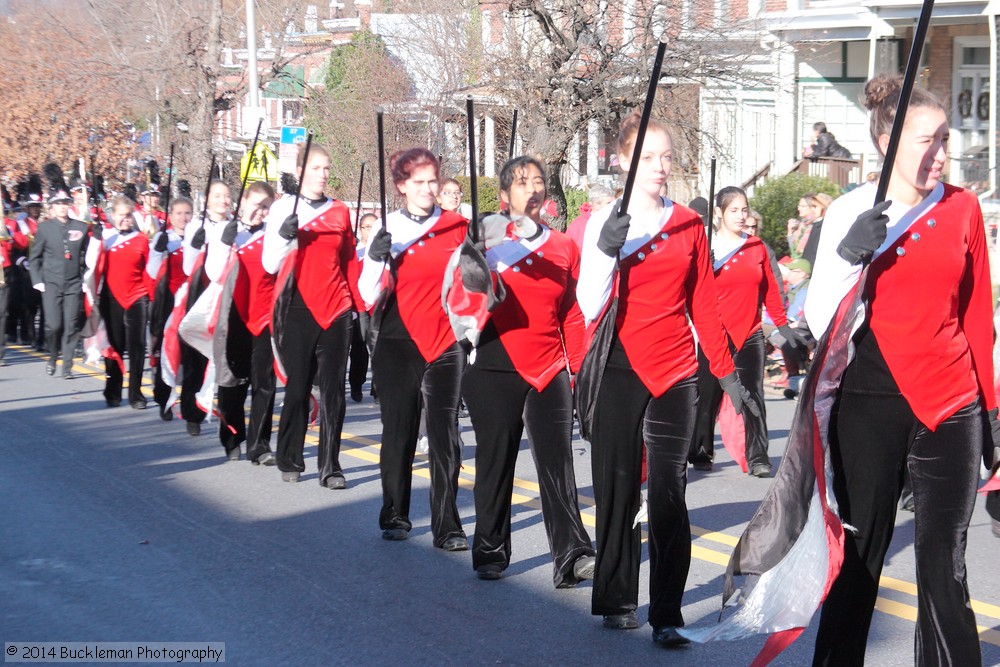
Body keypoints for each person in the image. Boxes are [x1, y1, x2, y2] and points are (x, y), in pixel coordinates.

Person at [805, 74, 995, 666]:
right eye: (924, 141)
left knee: (945, 563)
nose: (938, 153)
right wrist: (846, 256)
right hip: (869, 399)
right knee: (863, 558)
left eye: (944, 139)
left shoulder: (963, 208)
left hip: (950, 400)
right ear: (886, 141)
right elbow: (818, 321)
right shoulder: (850, 211)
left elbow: (977, 320)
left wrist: (992, 409)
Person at [576, 112, 755, 644]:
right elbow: (589, 303)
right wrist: (606, 250)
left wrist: (726, 374)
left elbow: (703, 303)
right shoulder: (605, 221)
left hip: (676, 371)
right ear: (623, 162)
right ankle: (615, 596)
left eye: (666, 158)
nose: (659, 167)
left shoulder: (688, 225)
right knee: (618, 486)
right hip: (617, 367)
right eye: (647, 158)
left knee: (671, 494)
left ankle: (668, 615)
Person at [462, 155, 596, 586]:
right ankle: (490, 549)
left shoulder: (563, 246)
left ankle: (572, 554)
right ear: (505, 196)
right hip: (494, 363)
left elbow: (572, 312)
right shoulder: (484, 239)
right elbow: (459, 304)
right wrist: (473, 266)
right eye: (522, 183)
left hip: (549, 367)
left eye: (538, 182)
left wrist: (578, 369)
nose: (532, 189)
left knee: (557, 464)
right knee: (495, 460)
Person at [358, 148, 469, 550]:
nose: (427, 189)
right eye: (418, 182)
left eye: (432, 181)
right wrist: (375, 255)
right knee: (400, 432)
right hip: (397, 341)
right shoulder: (387, 228)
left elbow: (472, 288)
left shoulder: (459, 227)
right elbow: (366, 294)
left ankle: (447, 525)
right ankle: (395, 513)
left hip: (444, 342)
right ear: (402, 186)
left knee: (445, 436)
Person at [263, 143, 363, 488]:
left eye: (327, 168)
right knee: (298, 386)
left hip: (336, 308)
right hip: (297, 308)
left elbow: (349, 260)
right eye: (317, 168)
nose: (323, 174)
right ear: (302, 171)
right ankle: (290, 456)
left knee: (334, 392)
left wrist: (358, 306)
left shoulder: (340, 212)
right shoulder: (282, 209)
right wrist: (282, 235)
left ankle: (330, 466)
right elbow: (269, 264)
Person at [688, 187, 798, 477]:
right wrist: (703, 266)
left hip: (750, 333)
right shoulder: (705, 247)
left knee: (753, 394)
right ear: (720, 213)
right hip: (714, 333)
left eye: (744, 209)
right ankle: (701, 450)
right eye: (734, 210)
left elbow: (770, 290)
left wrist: (782, 324)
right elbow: (690, 291)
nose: (741, 215)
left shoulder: (757, 246)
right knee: (708, 393)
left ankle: (758, 455)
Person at [206, 181, 278, 465]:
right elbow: (213, 273)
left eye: (266, 207)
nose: (259, 211)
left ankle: (259, 446)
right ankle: (232, 436)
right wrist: (224, 242)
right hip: (232, 316)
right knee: (232, 382)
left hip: (264, 316)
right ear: (243, 201)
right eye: (256, 204)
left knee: (264, 384)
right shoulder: (226, 232)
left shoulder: (272, 236)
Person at [147, 196, 207, 429]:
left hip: (193, 303)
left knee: (194, 359)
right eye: (179, 213)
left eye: (188, 213)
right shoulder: (164, 238)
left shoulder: (199, 237)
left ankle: (192, 413)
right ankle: (164, 399)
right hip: (169, 304)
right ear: (170, 216)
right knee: (168, 354)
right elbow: (152, 273)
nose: (184, 218)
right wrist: (157, 250)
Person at [87, 195, 151, 409]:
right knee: (115, 346)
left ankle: (136, 394)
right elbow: (91, 265)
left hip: (137, 297)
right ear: (112, 215)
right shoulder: (105, 237)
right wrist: (96, 240)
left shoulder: (141, 239)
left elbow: (148, 270)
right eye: (122, 216)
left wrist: (150, 297)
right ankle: (112, 391)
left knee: (137, 347)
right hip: (111, 297)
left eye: (129, 216)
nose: (126, 220)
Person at [28, 186, 90, 378]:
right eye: (58, 204)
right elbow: (34, 257)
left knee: (71, 326)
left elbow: (89, 257)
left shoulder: (80, 227)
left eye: (65, 203)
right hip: (51, 283)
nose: (62, 207)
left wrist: (87, 279)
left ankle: (67, 366)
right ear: (52, 207)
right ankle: (53, 355)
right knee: (53, 325)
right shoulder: (44, 228)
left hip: (73, 284)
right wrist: (37, 280)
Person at [348, 212, 377, 403]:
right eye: (367, 226)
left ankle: (378, 388)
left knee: (379, 349)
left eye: (375, 226)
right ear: (360, 229)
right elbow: (351, 280)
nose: (371, 230)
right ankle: (356, 384)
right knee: (359, 348)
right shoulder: (355, 253)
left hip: (378, 305)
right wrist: (361, 302)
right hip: (360, 306)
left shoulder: (384, 251)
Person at [1, 200, 28, 366]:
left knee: (2, 312)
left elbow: (23, 242)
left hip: (4, 269)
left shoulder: (9, 223)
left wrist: (11, 233)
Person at [566, 183, 614, 250]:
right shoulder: (579, 223)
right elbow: (568, 248)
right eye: (609, 204)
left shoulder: (615, 221)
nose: (613, 206)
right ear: (596, 204)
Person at [800, 192, 833, 270]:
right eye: (812, 206)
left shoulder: (824, 227)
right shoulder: (816, 225)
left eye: (815, 206)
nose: (812, 209)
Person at [787, 193, 818, 260]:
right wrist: (790, 233)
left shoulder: (815, 226)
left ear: (812, 207)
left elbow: (797, 252)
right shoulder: (803, 224)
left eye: (802, 206)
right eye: (799, 206)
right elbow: (794, 251)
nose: (799, 208)